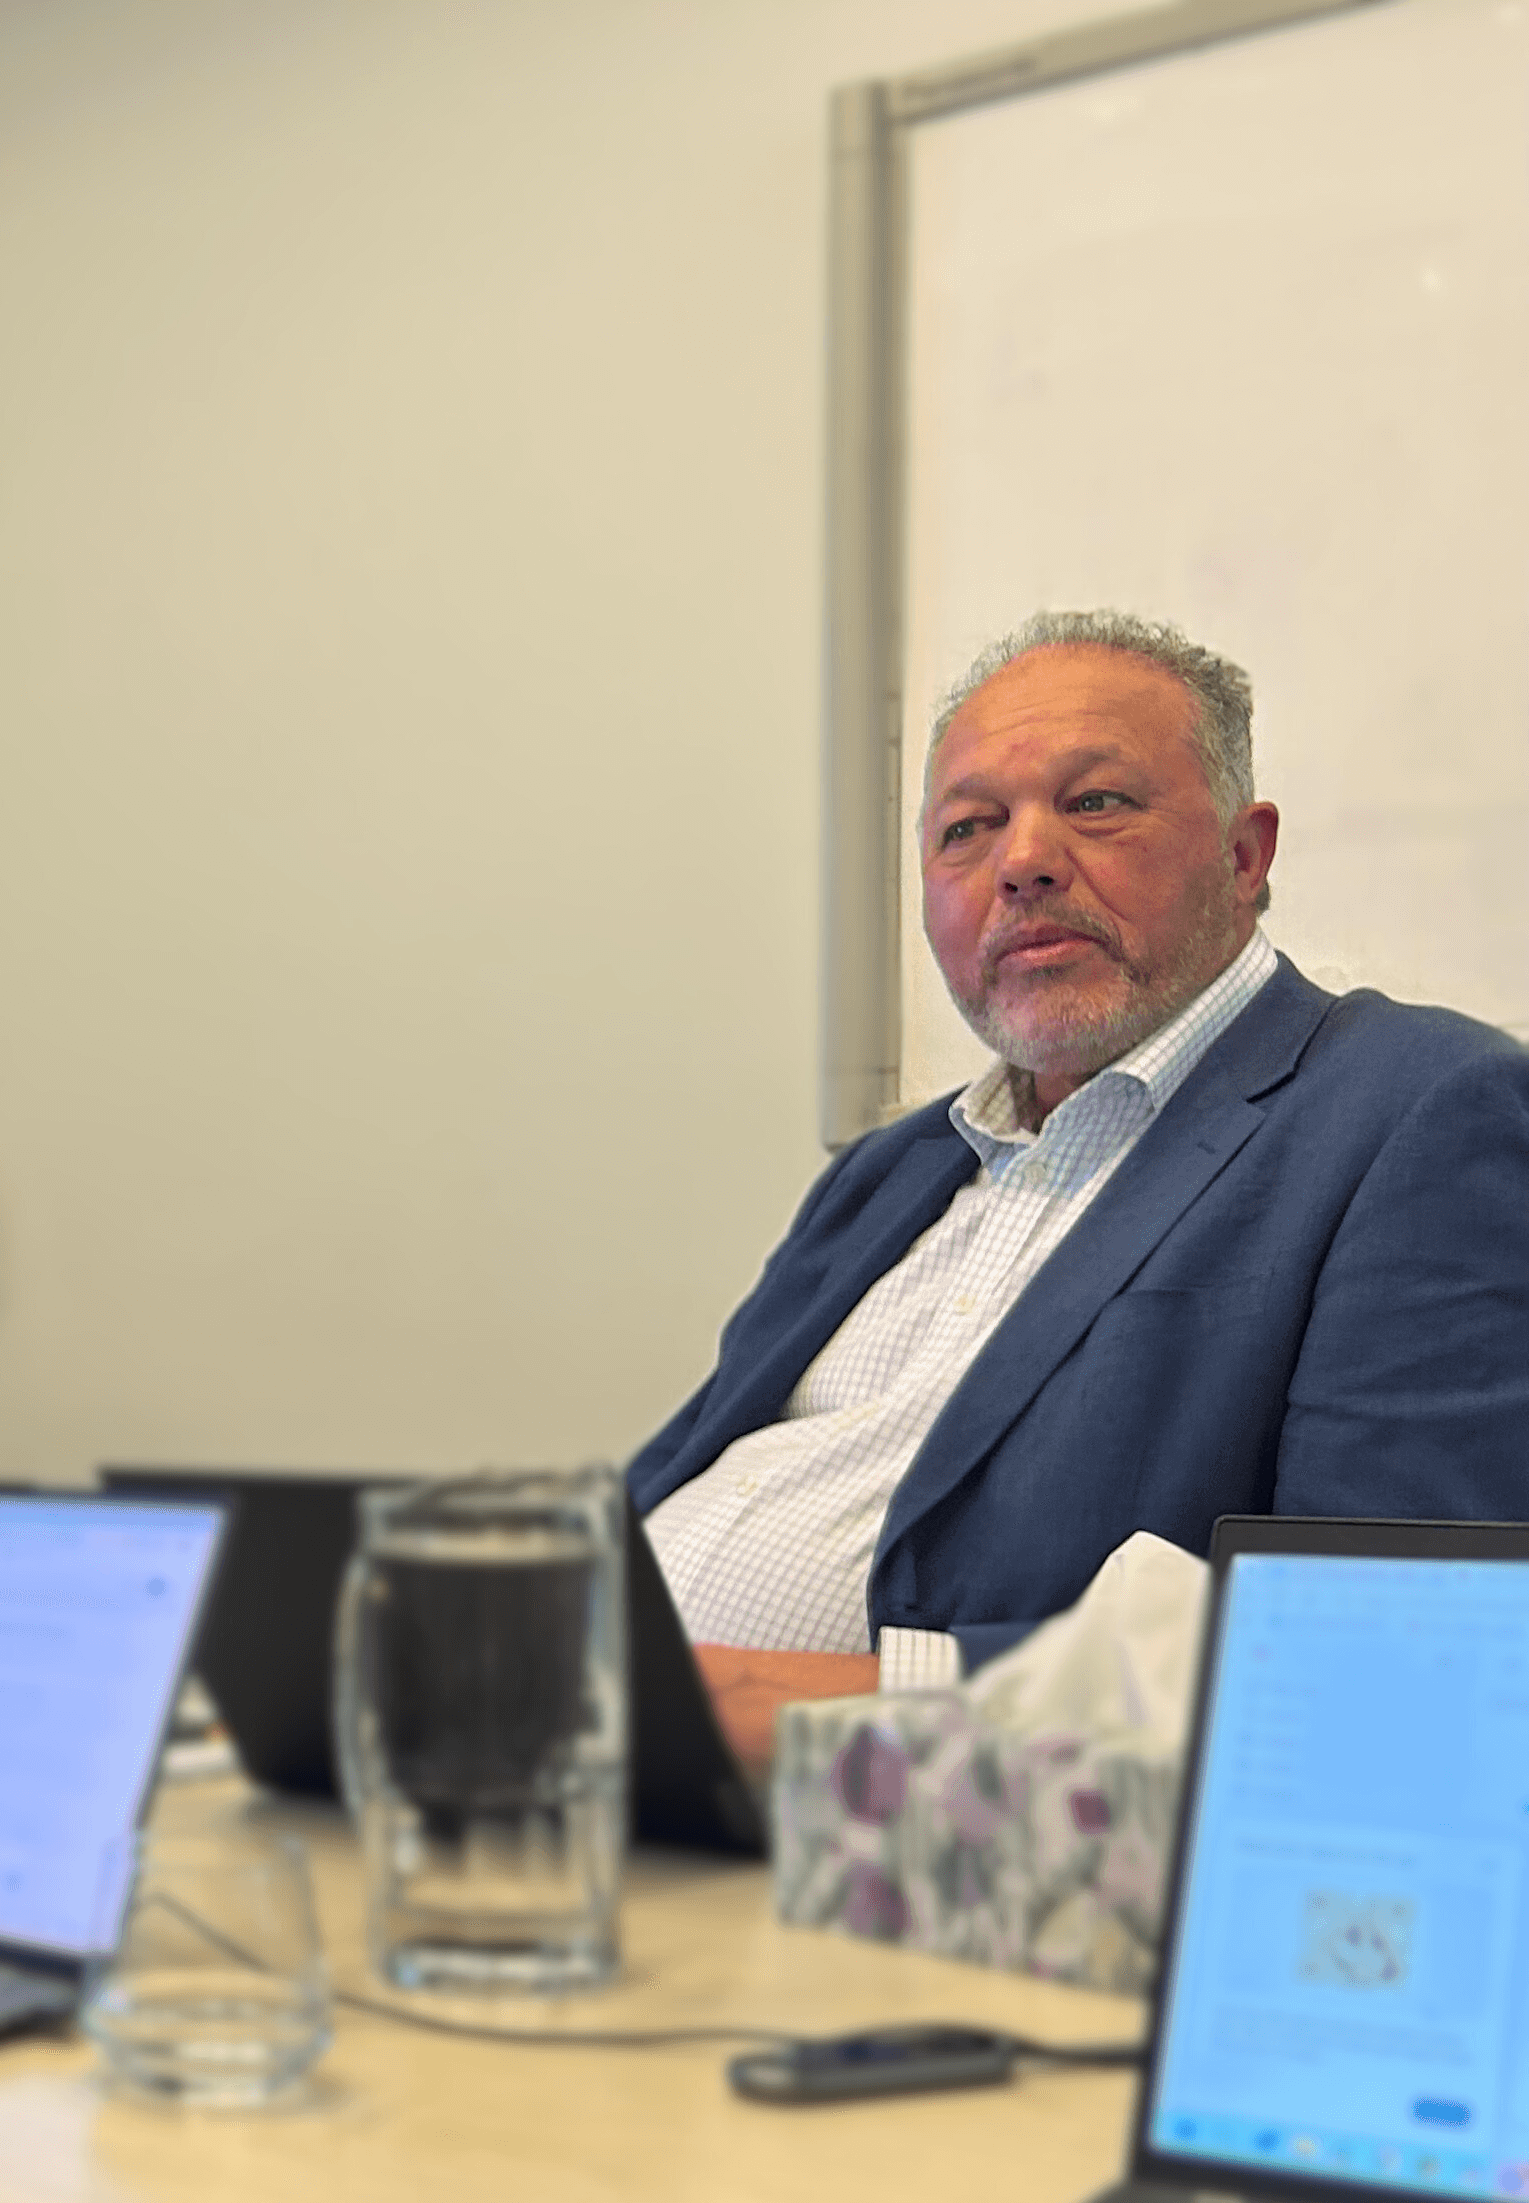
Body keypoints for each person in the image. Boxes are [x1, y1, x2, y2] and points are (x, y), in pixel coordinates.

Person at [635, 609, 1529, 1770]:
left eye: (1097, 803)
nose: (1023, 860)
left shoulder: (1419, 1109)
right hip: (576, 1786)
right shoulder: (885, 1175)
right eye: (968, 829)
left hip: (911, 1868)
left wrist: (812, 1710)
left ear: (1245, 856)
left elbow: (1387, 1663)